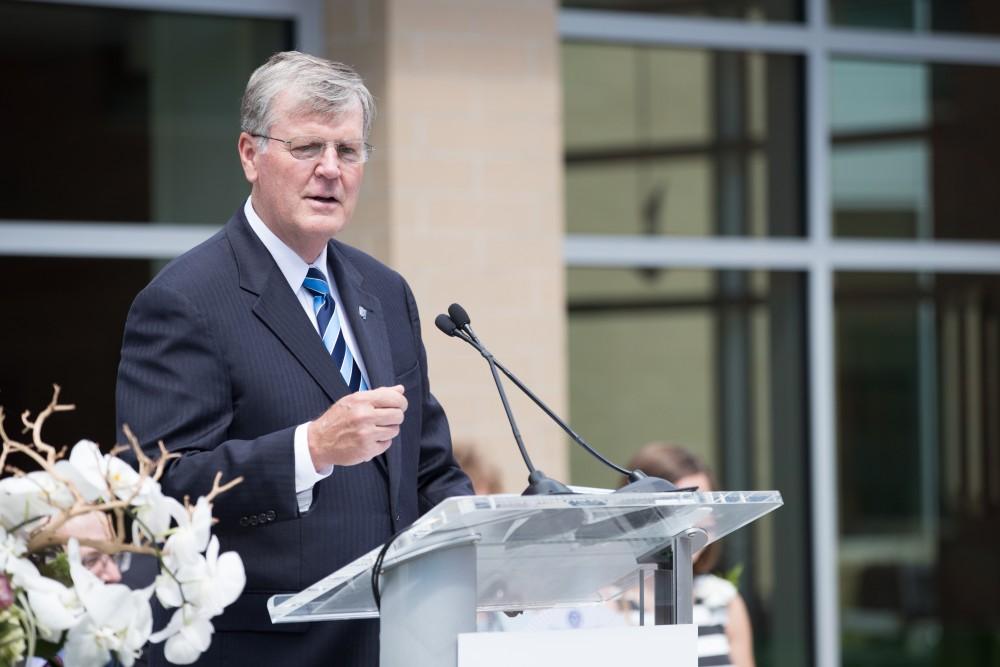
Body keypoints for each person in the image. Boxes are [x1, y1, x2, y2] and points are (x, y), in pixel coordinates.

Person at [115, 51, 472, 666]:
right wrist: (309, 450)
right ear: (250, 155)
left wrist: (501, 545)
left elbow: (427, 469)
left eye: (349, 151)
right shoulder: (185, 299)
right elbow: (158, 490)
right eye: (308, 147)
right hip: (266, 650)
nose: (331, 170)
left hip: (396, 643)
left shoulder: (384, 292)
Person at [624, 443, 756, 667]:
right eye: (682, 507)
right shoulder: (612, 605)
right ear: (639, 514)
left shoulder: (723, 600)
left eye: (703, 506)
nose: (697, 520)